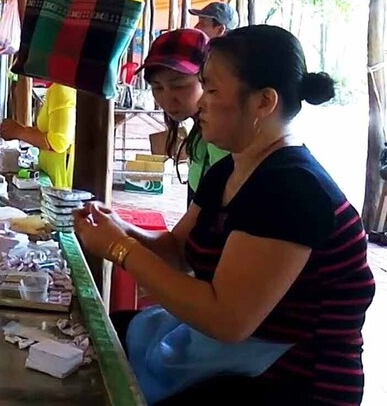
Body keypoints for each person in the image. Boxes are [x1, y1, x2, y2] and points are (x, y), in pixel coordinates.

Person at [75, 25, 374, 405]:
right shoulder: (230, 169)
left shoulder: (292, 189)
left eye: (212, 90)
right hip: (233, 361)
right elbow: (177, 252)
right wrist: (122, 229)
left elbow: (227, 320)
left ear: (264, 102)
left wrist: (120, 249)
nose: (201, 102)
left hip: (290, 383)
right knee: (100, 340)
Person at [141, 29, 229, 205]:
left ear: (206, 80)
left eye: (179, 86)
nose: (166, 99)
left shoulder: (224, 140)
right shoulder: (201, 133)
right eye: (157, 88)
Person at [0, 84, 77, 189]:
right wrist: (19, 129)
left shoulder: (61, 89)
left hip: (58, 183)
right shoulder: (58, 88)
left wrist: (18, 131)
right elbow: (49, 130)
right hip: (50, 177)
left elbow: (58, 143)